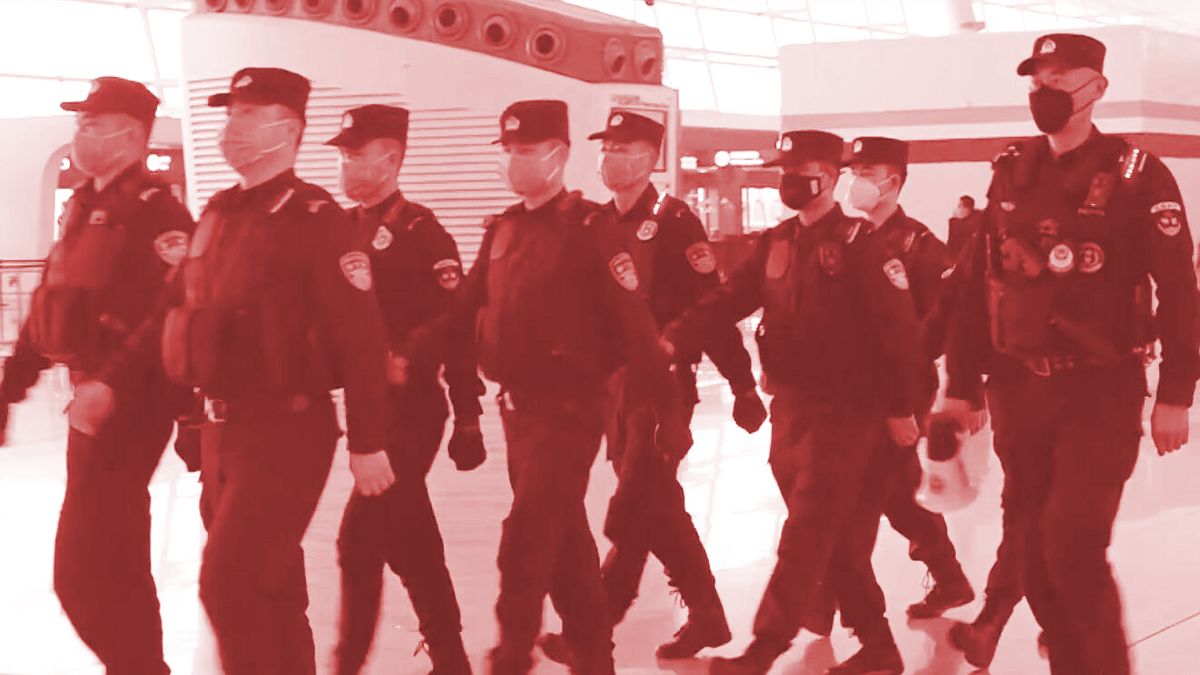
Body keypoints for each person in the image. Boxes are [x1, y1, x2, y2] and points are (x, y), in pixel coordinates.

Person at [941, 33, 1197, 675]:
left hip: (1101, 389)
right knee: (1034, 552)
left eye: (1059, 80)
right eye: (1036, 81)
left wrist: (1175, 393)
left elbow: (1179, 291)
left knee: (1073, 544)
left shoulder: (1140, 174)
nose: (1043, 93)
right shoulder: (1010, 170)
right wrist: (960, 383)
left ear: (1096, 90)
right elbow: (976, 285)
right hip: (1019, 390)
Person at [407, 99, 691, 675]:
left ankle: (511, 656)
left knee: (527, 536)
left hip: (571, 409)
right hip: (518, 415)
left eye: (527, 151)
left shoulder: (590, 228)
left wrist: (669, 413)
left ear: (559, 157)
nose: (515, 161)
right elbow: (461, 314)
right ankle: (596, 660)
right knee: (567, 550)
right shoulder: (504, 230)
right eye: (509, 151)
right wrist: (406, 358)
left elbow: (635, 325)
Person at [159, 67, 395, 675]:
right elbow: (189, 314)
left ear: (286, 129)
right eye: (229, 115)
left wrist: (368, 442)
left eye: (245, 115)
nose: (230, 128)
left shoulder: (315, 218)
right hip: (220, 434)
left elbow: (363, 336)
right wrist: (188, 415)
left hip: (287, 430)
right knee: (270, 587)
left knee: (226, 583)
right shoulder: (217, 212)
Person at [672, 130, 926, 675]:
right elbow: (727, 300)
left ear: (831, 178)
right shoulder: (777, 242)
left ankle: (765, 647)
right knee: (828, 536)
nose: (789, 179)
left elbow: (899, 332)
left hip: (848, 412)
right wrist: (673, 337)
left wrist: (902, 408)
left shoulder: (862, 245)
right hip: (791, 410)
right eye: (784, 169)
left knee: (807, 528)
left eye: (801, 169)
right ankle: (879, 646)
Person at [537, 110, 766, 665]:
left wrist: (741, 384)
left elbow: (711, 307)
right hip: (614, 389)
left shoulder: (675, 221)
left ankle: (595, 628)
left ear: (648, 157)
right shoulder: (597, 223)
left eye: (622, 146)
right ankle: (709, 617)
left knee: (633, 508)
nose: (610, 156)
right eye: (607, 145)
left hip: (664, 390)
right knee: (659, 507)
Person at [0, 77, 194, 675]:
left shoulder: (158, 210)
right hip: (90, 403)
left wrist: (110, 380)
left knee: (82, 570)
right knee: (115, 564)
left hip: (132, 406)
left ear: (130, 135)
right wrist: (12, 384)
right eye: (79, 123)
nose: (79, 133)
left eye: (91, 123)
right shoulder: (83, 203)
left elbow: (172, 306)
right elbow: (55, 299)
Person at [324, 104, 485, 675]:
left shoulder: (424, 233)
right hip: (370, 409)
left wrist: (468, 416)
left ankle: (347, 663)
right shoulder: (347, 227)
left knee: (357, 540)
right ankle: (451, 655)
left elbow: (457, 326)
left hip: (413, 412)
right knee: (409, 534)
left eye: (355, 153)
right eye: (342, 154)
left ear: (390, 159)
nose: (345, 163)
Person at [801, 136, 973, 633]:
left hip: (901, 391)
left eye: (867, 171)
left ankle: (842, 607)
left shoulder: (919, 246)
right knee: (896, 492)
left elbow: (942, 321)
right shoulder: (843, 239)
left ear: (893, 181)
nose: (857, 180)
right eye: (853, 169)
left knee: (854, 495)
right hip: (850, 391)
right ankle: (948, 577)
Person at [947, 195, 981, 259]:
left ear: (967, 209)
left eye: (959, 206)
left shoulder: (977, 220)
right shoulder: (954, 222)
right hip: (957, 259)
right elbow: (951, 245)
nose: (956, 209)